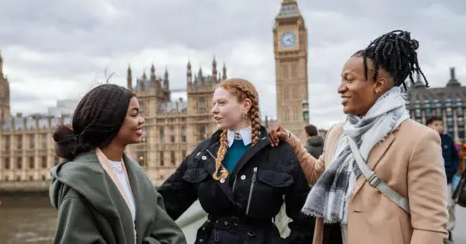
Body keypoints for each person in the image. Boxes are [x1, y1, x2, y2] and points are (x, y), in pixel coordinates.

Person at [268, 30, 448, 244]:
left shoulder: (418, 139)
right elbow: (318, 175)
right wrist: (291, 140)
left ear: (378, 85)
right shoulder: (339, 133)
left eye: (349, 80)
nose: (340, 88)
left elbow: (430, 226)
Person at [158, 78, 315, 244]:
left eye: (221, 103)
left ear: (245, 105)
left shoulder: (277, 151)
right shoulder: (205, 152)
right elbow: (166, 203)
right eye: (213, 104)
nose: (213, 110)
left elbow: (305, 217)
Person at [49, 84, 186, 244]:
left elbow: (172, 236)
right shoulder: (80, 182)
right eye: (134, 115)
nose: (142, 120)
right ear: (111, 119)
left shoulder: (137, 176)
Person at [427, 116, 460, 244]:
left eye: (441, 124)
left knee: (449, 206)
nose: (440, 126)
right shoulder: (423, 139)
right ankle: (435, 233)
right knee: (432, 208)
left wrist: (451, 170)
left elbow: (456, 158)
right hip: (430, 181)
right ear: (429, 125)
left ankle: (448, 232)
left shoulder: (448, 140)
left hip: (447, 181)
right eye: (436, 124)